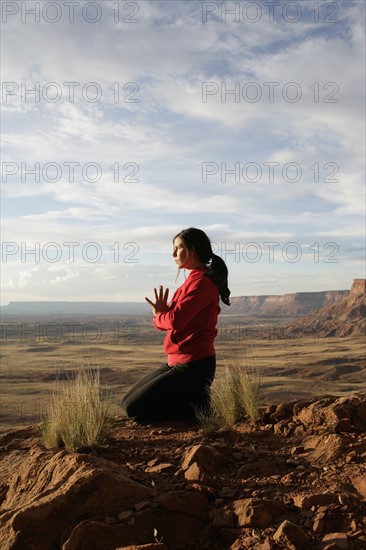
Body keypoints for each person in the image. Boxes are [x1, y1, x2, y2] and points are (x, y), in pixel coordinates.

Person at [121, 227, 230, 423]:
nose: (173, 254)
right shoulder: (192, 281)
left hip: (194, 366)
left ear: (193, 250)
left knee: (134, 409)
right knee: (126, 403)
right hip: (175, 362)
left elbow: (175, 320)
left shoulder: (203, 283)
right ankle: (192, 406)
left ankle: (195, 412)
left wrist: (159, 315)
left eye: (178, 248)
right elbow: (170, 320)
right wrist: (162, 315)